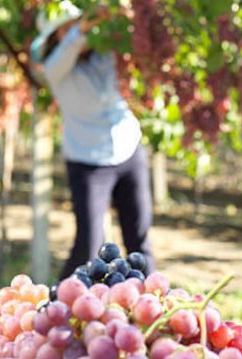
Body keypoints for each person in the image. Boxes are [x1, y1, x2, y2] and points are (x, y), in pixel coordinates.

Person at [31, 1, 155, 279]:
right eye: (67, 29)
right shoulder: (55, 70)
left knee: (141, 243)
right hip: (88, 163)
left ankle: (152, 309)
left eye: (76, 25)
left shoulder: (102, 55)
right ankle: (60, 308)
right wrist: (85, 24)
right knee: (88, 246)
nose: (78, 32)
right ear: (55, 39)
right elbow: (69, 48)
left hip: (128, 150)